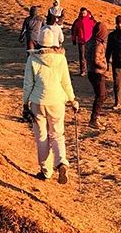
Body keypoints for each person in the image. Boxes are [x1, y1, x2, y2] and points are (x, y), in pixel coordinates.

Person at [22, 29, 79, 183]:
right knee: (57, 134)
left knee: (41, 137)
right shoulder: (61, 59)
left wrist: (25, 104)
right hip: (57, 102)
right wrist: (72, 100)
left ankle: (45, 171)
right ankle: (61, 162)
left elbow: (28, 84)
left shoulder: (32, 59)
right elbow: (66, 82)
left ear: (39, 43)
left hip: (37, 102)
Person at [86, 20, 108, 129]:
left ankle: (96, 117)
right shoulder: (98, 44)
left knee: (100, 95)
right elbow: (96, 59)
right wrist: (105, 66)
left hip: (90, 71)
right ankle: (94, 119)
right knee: (101, 96)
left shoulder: (90, 41)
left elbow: (86, 56)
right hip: (98, 73)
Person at [71, 7, 95, 75]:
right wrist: (73, 39)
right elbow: (74, 31)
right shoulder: (77, 21)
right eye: (82, 13)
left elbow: (96, 30)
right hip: (81, 41)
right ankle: (83, 71)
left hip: (89, 40)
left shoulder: (91, 21)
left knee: (90, 56)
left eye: (84, 13)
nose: (83, 14)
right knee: (82, 56)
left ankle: (90, 70)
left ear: (87, 12)